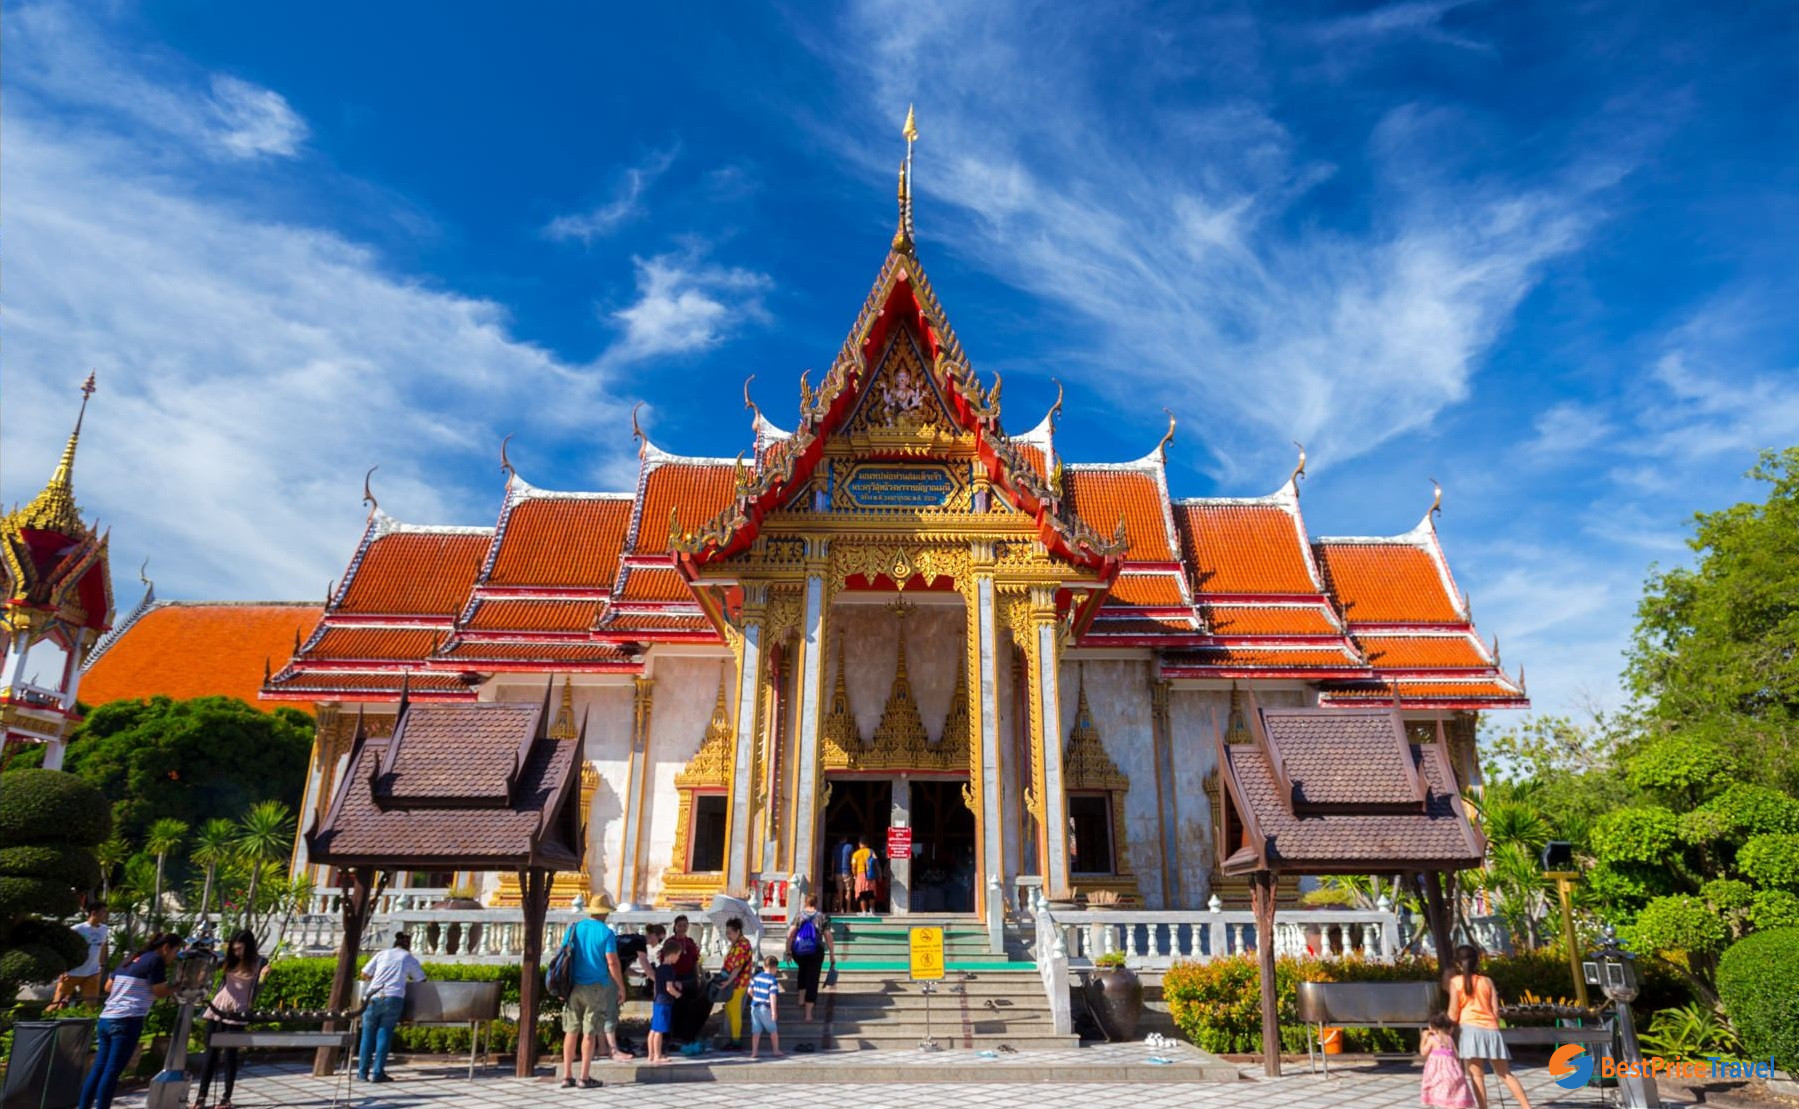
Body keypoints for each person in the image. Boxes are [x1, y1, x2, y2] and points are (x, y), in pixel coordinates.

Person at [77, 931, 180, 1109]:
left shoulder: (131, 958)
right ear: (166, 947)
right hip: (128, 1019)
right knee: (112, 1071)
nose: (174, 956)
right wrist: (178, 987)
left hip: (107, 1018)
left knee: (99, 1068)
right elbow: (159, 992)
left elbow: (108, 987)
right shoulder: (156, 961)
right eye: (175, 951)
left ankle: (83, 1106)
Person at [1448, 946, 1533, 1109]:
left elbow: (1453, 1012)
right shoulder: (1487, 981)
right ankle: (1526, 1107)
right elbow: (1496, 1011)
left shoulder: (1455, 982)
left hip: (1470, 1030)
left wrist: (1446, 1029)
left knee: (1477, 1076)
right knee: (1504, 1073)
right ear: (1477, 961)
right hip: (1491, 1030)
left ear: (1458, 964)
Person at [194, 929, 269, 1109]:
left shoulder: (260, 963)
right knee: (210, 1054)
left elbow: (258, 987)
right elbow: (207, 971)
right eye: (234, 949)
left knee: (230, 1055)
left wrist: (264, 977)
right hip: (217, 1007)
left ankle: (226, 1097)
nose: (236, 952)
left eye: (240, 948)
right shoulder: (229, 961)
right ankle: (201, 1097)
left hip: (238, 1011)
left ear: (248, 947)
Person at [560, 902, 631, 1089]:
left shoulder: (574, 928)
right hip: (596, 986)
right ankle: (584, 1077)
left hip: (573, 985)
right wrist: (621, 986)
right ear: (605, 913)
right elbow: (612, 962)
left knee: (571, 1031)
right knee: (589, 1032)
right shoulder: (606, 933)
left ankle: (567, 1075)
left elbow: (563, 953)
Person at [357, 933, 426, 1084]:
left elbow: (364, 974)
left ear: (395, 943)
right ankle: (378, 1073)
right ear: (408, 945)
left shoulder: (382, 954)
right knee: (384, 1034)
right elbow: (421, 979)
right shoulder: (408, 957)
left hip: (372, 997)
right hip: (393, 998)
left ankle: (362, 1074)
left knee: (367, 1036)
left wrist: (377, 977)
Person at [783, 894, 836, 1021]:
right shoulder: (821, 916)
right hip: (815, 950)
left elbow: (790, 934)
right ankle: (808, 1014)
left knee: (802, 970)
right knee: (813, 978)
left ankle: (801, 999)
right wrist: (832, 954)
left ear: (805, 903)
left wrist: (788, 951)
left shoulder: (799, 915)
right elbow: (828, 936)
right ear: (816, 903)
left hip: (799, 950)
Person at [51, 907, 109, 1010]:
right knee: (57, 1003)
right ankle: (47, 1018)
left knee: (91, 1006)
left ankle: (88, 1020)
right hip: (73, 972)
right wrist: (63, 969)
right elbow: (64, 948)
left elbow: (103, 946)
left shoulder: (104, 929)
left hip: (92, 973)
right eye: (103, 911)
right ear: (94, 913)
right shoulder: (77, 929)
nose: (106, 914)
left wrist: (102, 964)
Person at [1419, 1013, 1476, 1109]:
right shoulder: (1449, 1039)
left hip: (1438, 1075)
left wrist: (1423, 1039)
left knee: (1440, 1096)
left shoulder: (1432, 1039)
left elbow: (1423, 1052)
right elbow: (1456, 1055)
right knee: (1453, 1096)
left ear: (1433, 1027)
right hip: (1453, 1074)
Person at [666, 915, 704, 1044]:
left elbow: (695, 960)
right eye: (680, 926)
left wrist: (698, 976)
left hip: (688, 978)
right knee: (674, 1007)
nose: (682, 928)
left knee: (687, 1006)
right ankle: (672, 1035)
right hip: (674, 978)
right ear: (675, 927)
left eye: (684, 926)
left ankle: (684, 1035)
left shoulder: (690, 942)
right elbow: (666, 961)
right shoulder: (670, 942)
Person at [647, 940, 685, 1066]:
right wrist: (677, 994)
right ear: (672, 954)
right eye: (678, 955)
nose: (678, 958)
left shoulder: (659, 968)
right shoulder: (669, 969)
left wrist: (675, 983)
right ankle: (657, 1055)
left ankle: (651, 1054)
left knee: (653, 1029)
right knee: (659, 1030)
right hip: (664, 1002)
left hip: (657, 1001)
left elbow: (661, 984)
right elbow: (669, 988)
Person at [719, 917, 754, 1050]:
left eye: (730, 933)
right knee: (730, 1010)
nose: (728, 936)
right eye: (727, 933)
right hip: (732, 983)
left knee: (734, 1013)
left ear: (738, 931)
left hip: (738, 983)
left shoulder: (743, 944)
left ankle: (736, 1042)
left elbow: (737, 967)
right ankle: (732, 1040)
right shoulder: (736, 944)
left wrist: (728, 981)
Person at [748, 955, 782, 1060]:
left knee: (756, 1032)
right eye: (776, 969)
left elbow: (749, 991)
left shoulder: (756, 977)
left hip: (754, 1007)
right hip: (765, 1008)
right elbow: (772, 996)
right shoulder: (772, 980)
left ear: (764, 966)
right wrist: (774, 1011)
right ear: (774, 967)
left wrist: (756, 998)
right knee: (773, 1031)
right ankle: (776, 1050)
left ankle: (754, 1052)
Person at [851, 837, 880, 915]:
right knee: (871, 892)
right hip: (870, 874)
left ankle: (864, 911)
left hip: (860, 875)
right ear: (867, 844)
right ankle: (872, 910)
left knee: (862, 893)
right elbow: (876, 861)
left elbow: (853, 866)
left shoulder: (855, 854)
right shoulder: (871, 851)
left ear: (859, 844)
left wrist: (854, 875)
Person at [833, 835, 856, 914]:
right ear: (846, 839)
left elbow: (833, 861)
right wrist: (853, 871)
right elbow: (852, 859)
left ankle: (840, 909)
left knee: (840, 891)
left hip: (838, 872)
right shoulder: (850, 846)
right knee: (848, 890)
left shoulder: (835, 847)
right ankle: (848, 909)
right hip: (847, 871)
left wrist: (832, 872)